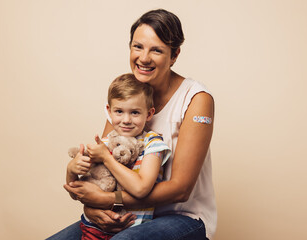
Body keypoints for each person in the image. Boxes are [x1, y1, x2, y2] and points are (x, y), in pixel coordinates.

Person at [48, 8, 217, 240]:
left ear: (174, 55)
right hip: (128, 213)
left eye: (156, 50)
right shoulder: (126, 95)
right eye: (138, 47)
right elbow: (105, 166)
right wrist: (92, 208)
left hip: (184, 218)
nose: (144, 58)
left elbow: (181, 189)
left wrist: (107, 199)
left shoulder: (196, 99)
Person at [66, 73, 171, 240]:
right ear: (109, 111)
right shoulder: (105, 143)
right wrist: (71, 170)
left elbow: (141, 189)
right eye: (119, 111)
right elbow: (77, 193)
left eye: (135, 112)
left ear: (149, 114)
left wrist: (106, 158)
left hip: (133, 229)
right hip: (94, 228)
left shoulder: (153, 143)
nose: (126, 120)